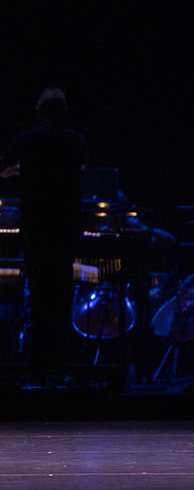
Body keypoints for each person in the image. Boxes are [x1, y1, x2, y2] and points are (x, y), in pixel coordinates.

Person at [1, 88, 87, 382]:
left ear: (39, 110)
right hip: (65, 226)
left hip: (36, 225)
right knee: (62, 293)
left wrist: (23, 175)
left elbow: (5, 167)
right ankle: (60, 362)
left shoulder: (27, 139)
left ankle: (37, 362)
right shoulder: (76, 140)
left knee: (38, 293)